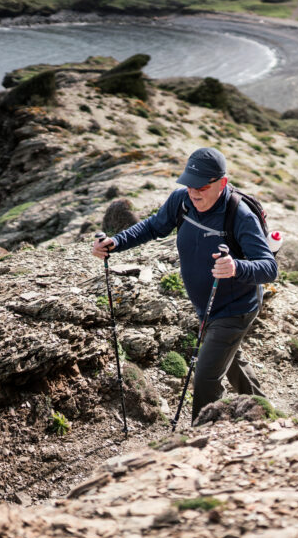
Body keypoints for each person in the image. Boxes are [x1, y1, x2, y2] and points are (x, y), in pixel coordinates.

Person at [92, 147, 278, 422]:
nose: (194, 192)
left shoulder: (239, 215)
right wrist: (116, 242)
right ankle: (265, 416)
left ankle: (200, 438)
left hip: (236, 308)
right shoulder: (182, 201)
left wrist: (236, 267)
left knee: (205, 377)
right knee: (230, 361)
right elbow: (153, 227)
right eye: (189, 184)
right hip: (206, 306)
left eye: (202, 186)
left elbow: (269, 268)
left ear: (222, 183)